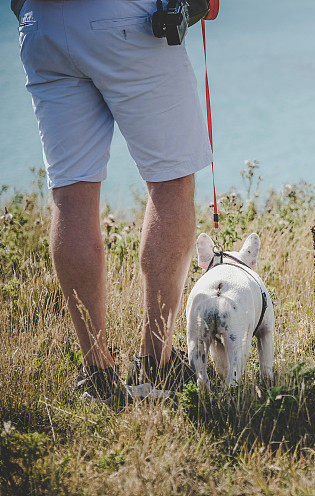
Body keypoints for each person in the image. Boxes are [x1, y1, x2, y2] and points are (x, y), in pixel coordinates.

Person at [14, 0, 213, 404]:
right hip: (127, 21)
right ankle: (155, 363)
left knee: (71, 195)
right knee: (170, 181)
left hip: (42, 25)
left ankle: (96, 371)